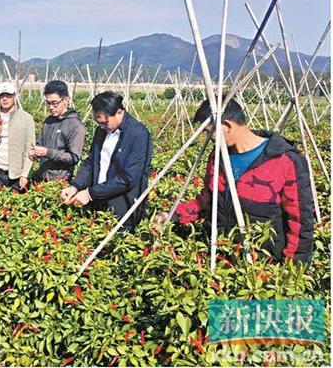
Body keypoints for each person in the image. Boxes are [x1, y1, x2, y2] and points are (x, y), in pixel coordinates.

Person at [154, 98, 314, 264]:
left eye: (209, 131)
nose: (208, 138)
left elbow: (300, 220)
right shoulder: (218, 157)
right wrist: (174, 214)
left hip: (262, 262)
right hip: (220, 255)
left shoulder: (284, 160)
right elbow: (208, 200)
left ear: (227, 125)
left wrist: (294, 267)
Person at [61, 91, 152, 230]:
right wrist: (75, 186)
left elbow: (128, 179)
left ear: (120, 112)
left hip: (123, 207)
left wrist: (90, 194)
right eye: (99, 123)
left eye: (105, 122)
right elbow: (91, 162)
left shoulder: (138, 134)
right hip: (98, 200)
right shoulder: (101, 131)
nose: (102, 126)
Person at [0, 81, 35, 193]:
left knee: (14, 208)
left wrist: (24, 175)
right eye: (2, 96)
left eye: (8, 95)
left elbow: (30, 149)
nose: (5, 99)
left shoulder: (26, 118)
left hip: (16, 174)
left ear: (14, 96)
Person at [30, 80, 85, 182]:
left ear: (65, 100)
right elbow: (40, 143)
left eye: (54, 103)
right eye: (48, 103)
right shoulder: (48, 121)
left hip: (59, 183)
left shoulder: (75, 125)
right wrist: (35, 152)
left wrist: (48, 153)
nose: (51, 107)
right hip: (41, 179)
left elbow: (74, 157)